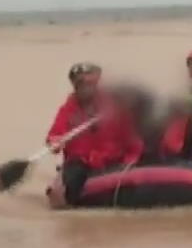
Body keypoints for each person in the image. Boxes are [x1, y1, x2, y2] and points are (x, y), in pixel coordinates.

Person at [45, 62, 143, 204]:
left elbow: (133, 141)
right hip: (80, 164)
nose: (85, 88)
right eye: (80, 84)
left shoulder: (114, 107)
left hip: (113, 162)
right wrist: (55, 142)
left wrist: (130, 162)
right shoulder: (67, 110)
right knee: (64, 192)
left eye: (89, 84)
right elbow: (54, 135)